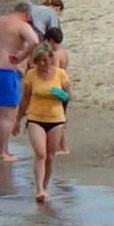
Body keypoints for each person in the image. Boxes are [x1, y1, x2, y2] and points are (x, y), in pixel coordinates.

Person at [0, 2, 39, 162]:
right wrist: (21, 56)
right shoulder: (21, 25)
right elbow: (34, 41)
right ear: (28, 14)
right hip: (6, 70)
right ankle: (2, 152)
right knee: (8, 113)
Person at [12, 42, 70, 202]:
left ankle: (45, 186)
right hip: (35, 118)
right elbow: (25, 99)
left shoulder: (60, 74)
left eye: (45, 60)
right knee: (40, 153)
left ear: (51, 59)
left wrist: (62, 95)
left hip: (56, 119)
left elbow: (68, 96)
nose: (42, 64)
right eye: (39, 61)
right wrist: (17, 120)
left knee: (50, 156)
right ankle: (38, 189)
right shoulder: (31, 75)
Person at [44, 26, 71, 154]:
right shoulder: (64, 53)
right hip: (65, 86)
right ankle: (62, 146)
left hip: (58, 88)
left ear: (51, 40)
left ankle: (63, 146)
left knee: (58, 119)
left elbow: (54, 72)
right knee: (61, 117)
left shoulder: (55, 55)